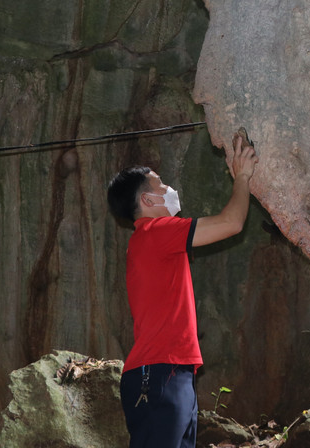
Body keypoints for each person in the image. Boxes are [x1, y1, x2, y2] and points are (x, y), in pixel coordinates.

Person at [106, 133, 257, 448]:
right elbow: (231, 223)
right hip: (159, 373)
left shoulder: (155, 240)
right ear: (147, 201)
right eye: (161, 185)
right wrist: (242, 177)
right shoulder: (154, 232)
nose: (169, 189)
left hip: (173, 372)